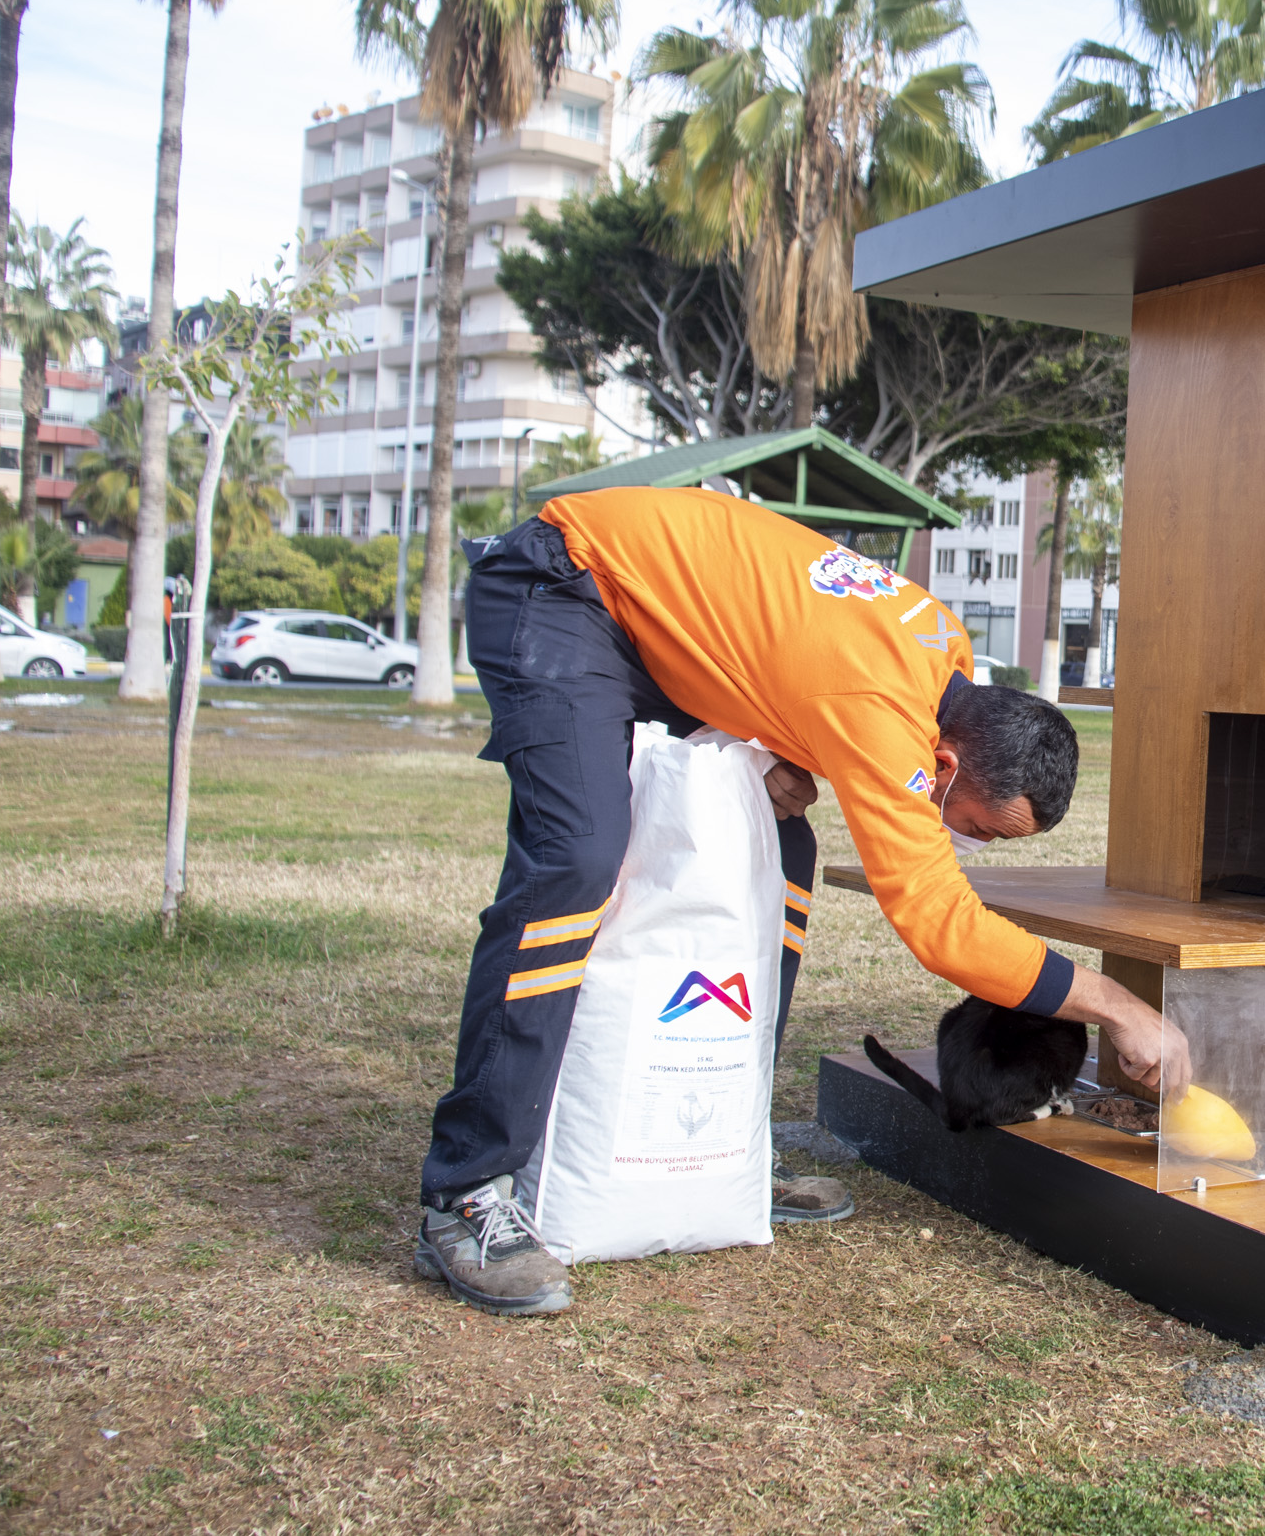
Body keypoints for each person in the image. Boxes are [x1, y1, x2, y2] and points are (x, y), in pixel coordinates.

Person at [413, 487, 1191, 1317]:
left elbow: (789, 646)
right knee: (577, 857)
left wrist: (776, 742)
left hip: (655, 621)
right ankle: (466, 1188)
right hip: (563, 585)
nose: (973, 843)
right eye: (981, 830)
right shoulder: (885, 713)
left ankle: (724, 1146)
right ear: (947, 765)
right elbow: (938, 925)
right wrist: (1115, 1005)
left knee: (782, 846)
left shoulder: (944, 652)